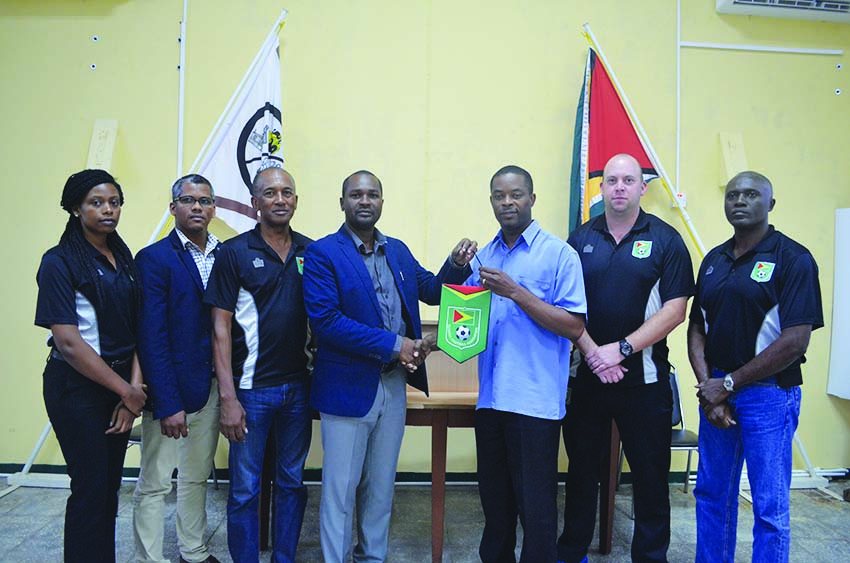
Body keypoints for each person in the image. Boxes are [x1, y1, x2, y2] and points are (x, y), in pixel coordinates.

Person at [302, 169, 476, 563]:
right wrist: (397, 345)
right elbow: (327, 323)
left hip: (394, 386)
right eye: (356, 194)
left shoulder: (396, 249)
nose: (365, 201)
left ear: (382, 202)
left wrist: (454, 264)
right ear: (342, 202)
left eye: (373, 194)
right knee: (340, 491)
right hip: (346, 388)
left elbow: (430, 289)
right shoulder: (321, 253)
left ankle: (372, 558)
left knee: (380, 488)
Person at [559, 153, 695, 563]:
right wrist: (594, 354)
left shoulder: (667, 240)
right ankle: (572, 552)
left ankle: (651, 556)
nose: (619, 187)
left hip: (646, 383)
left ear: (642, 187)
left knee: (651, 480)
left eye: (627, 180)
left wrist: (619, 350)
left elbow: (675, 311)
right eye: (612, 181)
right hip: (588, 379)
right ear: (601, 189)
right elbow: (565, 307)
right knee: (582, 473)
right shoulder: (579, 239)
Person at [687, 171, 823, 563]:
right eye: (733, 195)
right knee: (712, 495)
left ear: (771, 204)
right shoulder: (713, 259)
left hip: (769, 397)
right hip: (717, 397)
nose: (740, 201)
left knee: (769, 506)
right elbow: (697, 327)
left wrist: (728, 383)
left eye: (751, 195)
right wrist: (709, 389)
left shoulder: (793, 259)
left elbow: (795, 341)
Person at [466, 165, 586, 563]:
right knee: (496, 513)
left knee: (536, 514)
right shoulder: (484, 255)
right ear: (491, 202)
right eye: (499, 196)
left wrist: (517, 293)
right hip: (491, 401)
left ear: (532, 199)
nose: (507, 202)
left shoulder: (559, 255)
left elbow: (573, 325)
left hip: (534, 404)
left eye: (516, 194)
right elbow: (464, 317)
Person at [35, 169, 146, 563]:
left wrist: (134, 393)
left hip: (120, 387)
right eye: (96, 203)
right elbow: (67, 341)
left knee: (108, 490)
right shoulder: (59, 261)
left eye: (114, 202)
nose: (108, 210)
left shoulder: (124, 257)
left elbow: (138, 328)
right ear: (75, 208)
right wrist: (124, 390)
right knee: (89, 488)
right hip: (76, 388)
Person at [205, 165, 312, 563]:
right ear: (254, 203)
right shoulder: (233, 254)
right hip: (250, 392)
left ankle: (284, 558)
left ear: (296, 201)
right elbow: (219, 329)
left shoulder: (310, 251)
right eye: (270, 193)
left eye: (287, 192)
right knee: (245, 489)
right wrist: (228, 399)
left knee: (292, 483)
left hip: (299, 390)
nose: (279, 199)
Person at [132, 174, 222, 563]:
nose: (197, 207)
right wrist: (167, 402)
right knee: (154, 482)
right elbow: (151, 337)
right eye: (188, 200)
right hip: (170, 391)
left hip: (213, 387)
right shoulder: (154, 259)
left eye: (204, 201)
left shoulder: (225, 254)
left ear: (214, 208)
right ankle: (150, 557)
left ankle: (194, 551)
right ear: (173, 208)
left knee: (195, 477)